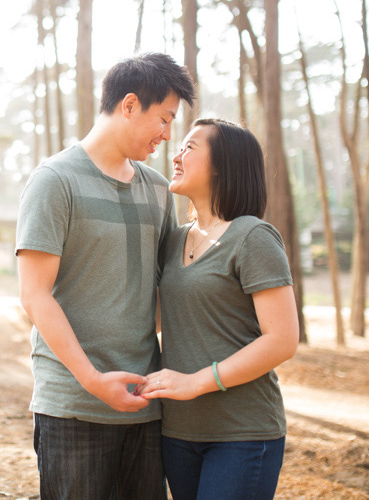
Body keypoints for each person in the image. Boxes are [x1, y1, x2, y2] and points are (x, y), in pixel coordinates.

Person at [15, 52, 196, 499]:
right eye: (164, 118)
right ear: (130, 105)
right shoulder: (55, 181)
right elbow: (35, 297)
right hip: (73, 406)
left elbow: (168, 289)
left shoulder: (157, 189)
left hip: (144, 406)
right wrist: (93, 380)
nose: (167, 135)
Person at [138, 118, 300, 500]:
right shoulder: (175, 239)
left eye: (190, 147)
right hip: (178, 432)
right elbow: (160, 320)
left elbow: (282, 340)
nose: (175, 155)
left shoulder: (253, 237)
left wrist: (195, 382)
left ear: (222, 165)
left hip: (242, 433)